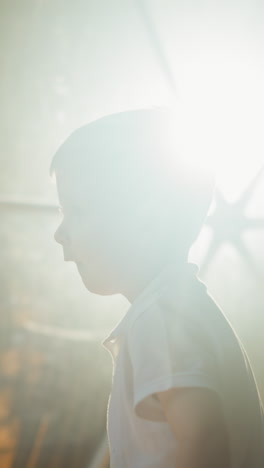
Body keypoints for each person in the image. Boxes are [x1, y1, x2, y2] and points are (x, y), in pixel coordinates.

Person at [51, 108, 264, 468]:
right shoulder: (183, 313)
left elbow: (203, 439)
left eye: (77, 211)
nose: (60, 233)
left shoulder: (162, 322)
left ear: (147, 222)